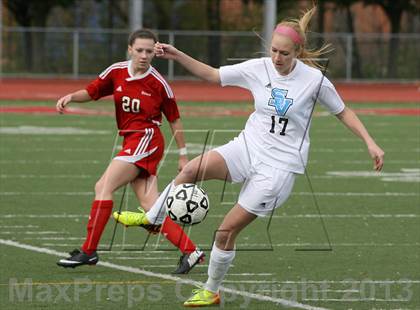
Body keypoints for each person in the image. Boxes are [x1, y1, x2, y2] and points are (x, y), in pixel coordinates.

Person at [115, 7, 385, 307]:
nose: (277, 58)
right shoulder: (260, 67)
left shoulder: (314, 80)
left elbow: (343, 111)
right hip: (247, 147)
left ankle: (211, 289)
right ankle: (153, 217)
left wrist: (370, 142)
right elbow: (213, 74)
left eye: (284, 53)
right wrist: (178, 55)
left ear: (297, 51)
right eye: (273, 50)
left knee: (225, 232)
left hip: (278, 168)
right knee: (191, 169)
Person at [55, 29, 205, 274]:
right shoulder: (116, 72)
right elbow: (92, 91)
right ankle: (191, 251)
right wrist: (70, 96)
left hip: (146, 140)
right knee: (150, 207)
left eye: (149, 51)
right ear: (130, 49)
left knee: (103, 186)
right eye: (139, 50)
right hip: (132, 142)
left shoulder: (158, 83)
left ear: (155, 51)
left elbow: (174, 120)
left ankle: (89, 251)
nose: (144, 55)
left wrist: (183, 154)